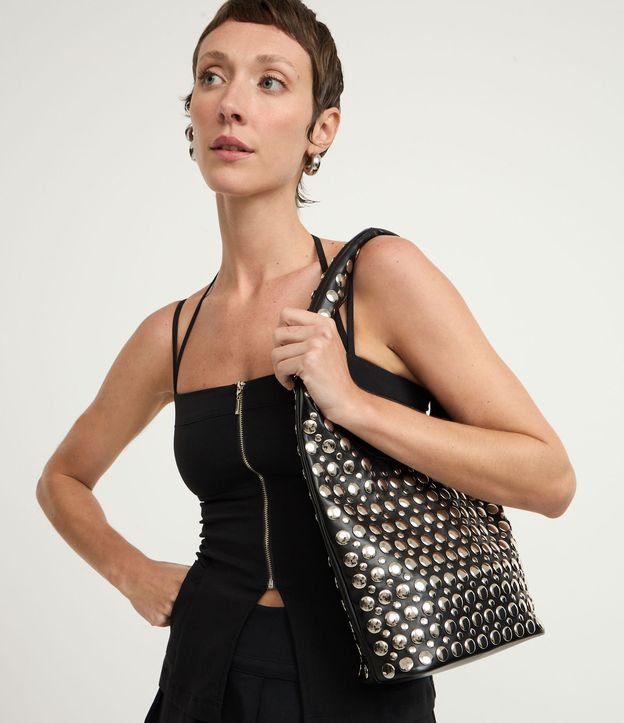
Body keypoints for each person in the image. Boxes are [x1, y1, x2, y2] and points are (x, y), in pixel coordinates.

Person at [35, 1, 577, 721]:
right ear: (191, 112)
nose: (231, 103)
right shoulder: (170, 333)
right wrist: (129, 571)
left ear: (321, 128)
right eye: (213, 76)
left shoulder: (378, 276)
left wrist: (352, 403)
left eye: (270, 82)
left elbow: (549, 477)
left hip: (360, 680)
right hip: (205, 669)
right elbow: (62, 478)